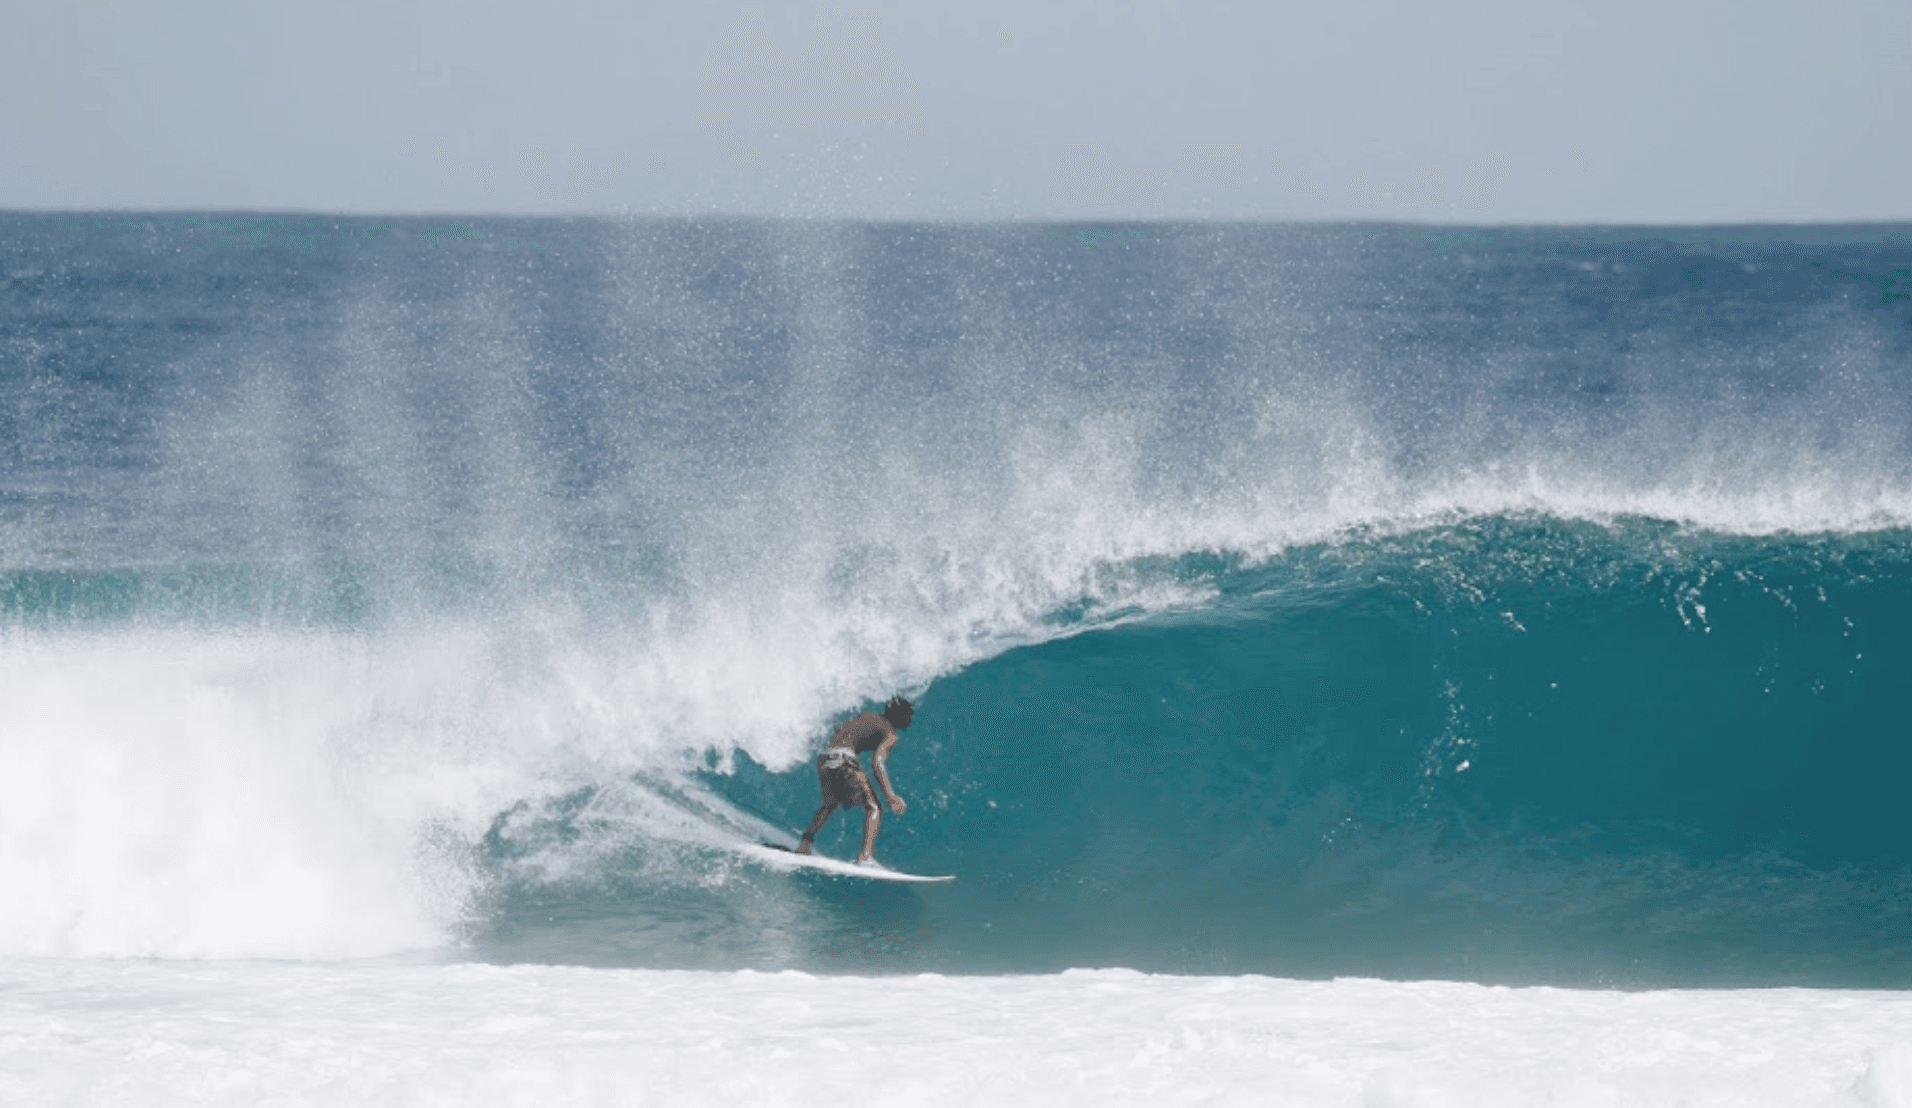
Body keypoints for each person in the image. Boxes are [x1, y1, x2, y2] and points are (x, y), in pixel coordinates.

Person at [796, 696, 913, 864]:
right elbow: (877, 763)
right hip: (845, 759)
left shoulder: (868, 716)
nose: (911, 719)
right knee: (874, 807)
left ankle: (804, 845)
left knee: (830, 803)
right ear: (900, 716)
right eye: (909, 715)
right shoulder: (890, 733)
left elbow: (840, 727)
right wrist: (890, 796)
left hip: (825, 758)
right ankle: (865, 857)